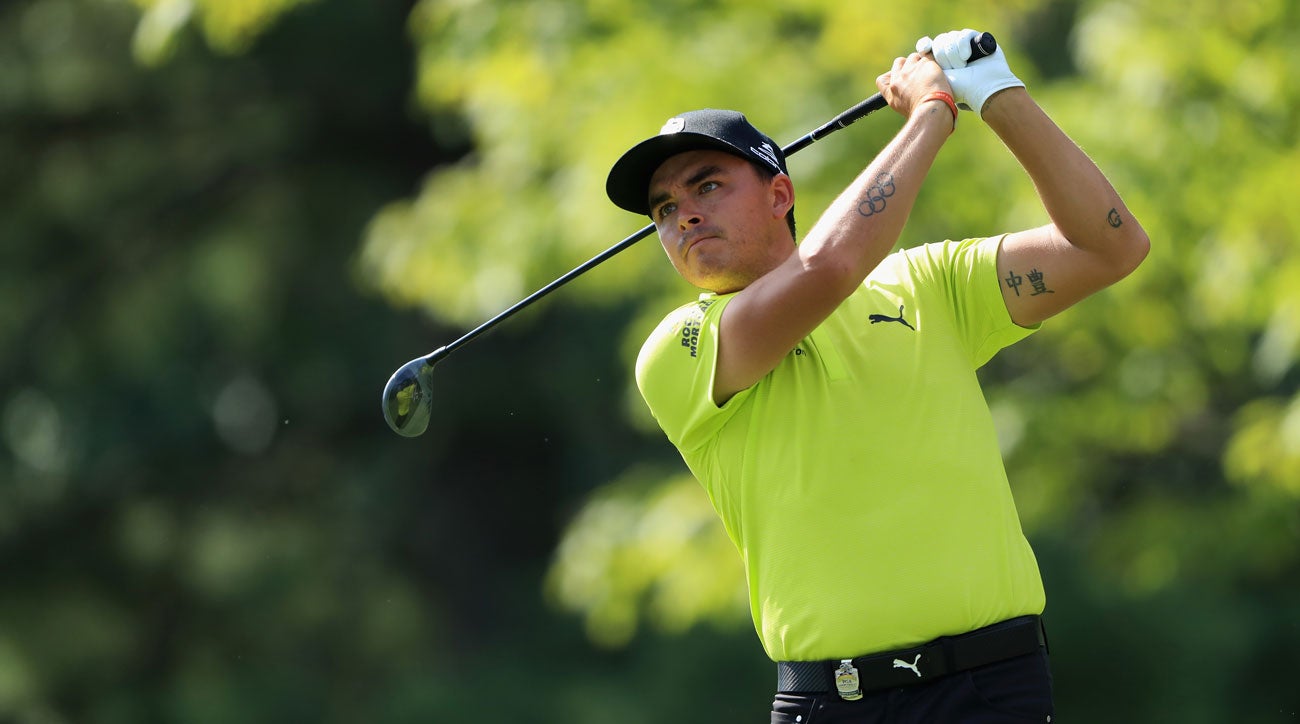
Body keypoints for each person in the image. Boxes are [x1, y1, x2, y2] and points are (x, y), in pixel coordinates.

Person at [604, 29, 1148, 723]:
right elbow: (828, 268)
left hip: (994, 689)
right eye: (664, 209)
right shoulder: (678, 349)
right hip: (834, 703)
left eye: (707, 185)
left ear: (779, 194)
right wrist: (932, 114)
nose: (684, 215)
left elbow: (1111, 246)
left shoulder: (928, 284)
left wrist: (995, 92)